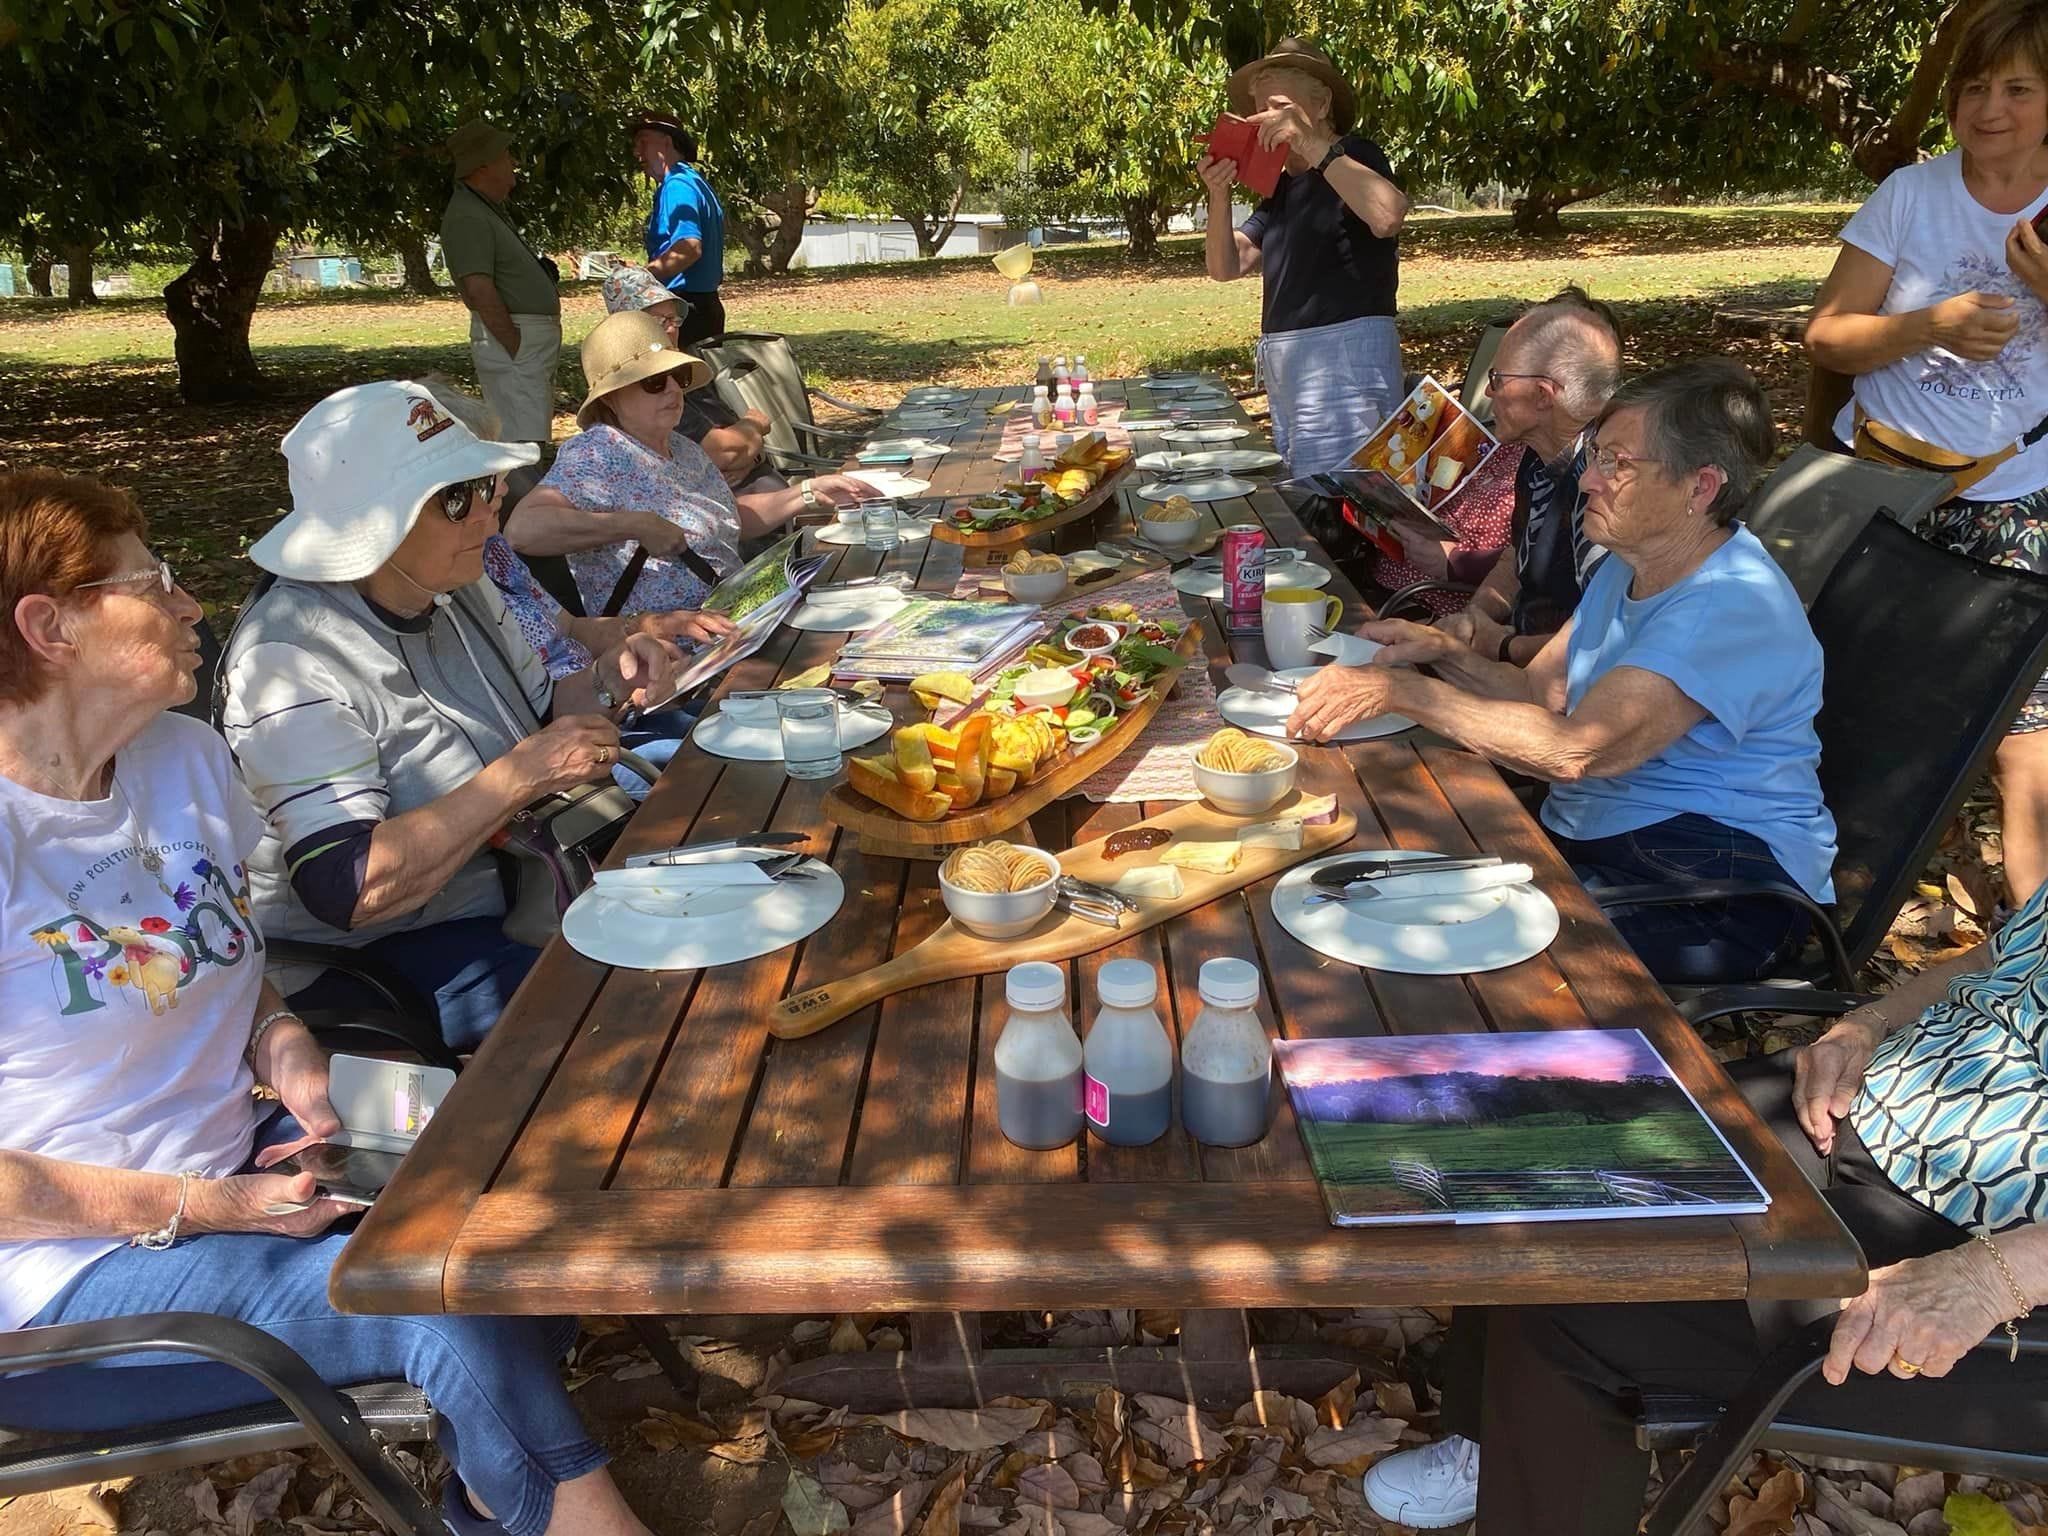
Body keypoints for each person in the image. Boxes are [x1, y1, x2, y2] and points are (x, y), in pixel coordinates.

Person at [0, 468, 658, 1536]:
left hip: (251, 1141)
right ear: (49, 626)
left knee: (521, 1159)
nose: (190, 602)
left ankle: (495, 1489)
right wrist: (207, 1209)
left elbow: (212, 952)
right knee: (436, 1302)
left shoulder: (178, 759)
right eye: (153, 583)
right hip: (63, 1281)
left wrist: (283, 1040)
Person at [1363, 896, 2048, 1533]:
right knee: (1546, 1150)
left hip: (1979, 1237)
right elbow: (1999, 957)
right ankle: (1496, 1437)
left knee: (1573, 1289)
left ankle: (1542, 1441)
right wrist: (1867, 1024)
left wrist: (1988, 1280)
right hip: (1874, 1103)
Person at [1288, 360, 1839, 985]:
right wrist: (1441, 654)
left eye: (1618, 464)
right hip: (1611, 839)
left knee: (1456, 946)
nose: (1589, 482)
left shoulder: (1726, 604)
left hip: (1723, 889)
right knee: (1381, 892)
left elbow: (1575, 751)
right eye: (1597, 456)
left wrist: (1402, 691)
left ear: (1700, 487)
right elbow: (1537, 693)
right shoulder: (1629, 565)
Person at [221, 382, 681, 1050]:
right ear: (372, 524)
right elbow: (347, 888)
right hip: (394, 948)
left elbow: (549, 708)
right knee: (640, 1002)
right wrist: (516, 780)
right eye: (456, 497)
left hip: (524, 883)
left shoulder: (456, 585)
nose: (489, 518)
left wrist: (611, 677)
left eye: (488, 486)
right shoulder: (289, 659)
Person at [1806, 0, 2048, 908]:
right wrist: (1926, 326)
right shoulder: (1912, 193)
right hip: (1885, 484)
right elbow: (1827, 338)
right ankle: (1867, 882)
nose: (1992, 110)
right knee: (1865, 689)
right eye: (1974, 88)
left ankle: (2030, 939)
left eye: (2019, 88)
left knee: (2027, 726)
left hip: (2018, 499)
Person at [506, 311, 876, 616]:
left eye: (677, 377)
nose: (672, 390)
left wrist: (808, 492)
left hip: (733, 622)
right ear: (612, 399)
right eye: (653, 382)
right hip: (669, 651)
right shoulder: (594, 453)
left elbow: (727, 519)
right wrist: (634, 525)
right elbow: (523, 530)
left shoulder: (681, 447)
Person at [1198, 37, 1409, 474]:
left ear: (1321, 103)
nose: (1262, 121)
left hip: (1342, 365)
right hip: (1291, 367)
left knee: (1340, 504)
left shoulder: (1354, 155)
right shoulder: (1282, 185)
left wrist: (1314, 147)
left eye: (1275, 106)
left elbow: (1388, 215)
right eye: (1258, 110)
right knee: (1308, 496)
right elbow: (1226, 266)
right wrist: (1219, 196)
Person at [1435, 287, 1625, 665]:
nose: (1488, 391)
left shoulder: (1605, 482)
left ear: (1543, 396)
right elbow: (1515, 562)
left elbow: (1604, 642)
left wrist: (1501, 647)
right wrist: (1472, 621)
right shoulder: (1538, 458)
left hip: (1563, 692)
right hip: (1518, 665)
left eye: (1498, 378)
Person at [600, 265, 785, 493]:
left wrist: (751, 457)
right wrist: (755, 424)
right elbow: (726, 452)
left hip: (749, 488)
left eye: (673, 319)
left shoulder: (684, 370)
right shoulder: (644, 387)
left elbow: (736, 446)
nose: (670, 330)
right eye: (658, 322)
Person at [439, 120, 561, 446]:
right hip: (512, 343)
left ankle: (523, 495)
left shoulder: (482, 209)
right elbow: (479, 290)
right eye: (506, 155)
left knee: (527, 433)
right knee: (519, 441)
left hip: (520, 343)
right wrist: (515, 344)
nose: (514, 163)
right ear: (483, 165)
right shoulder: (468, 214)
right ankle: (520, 498)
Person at [631, 111, 727, 346]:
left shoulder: (677, 186)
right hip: (703, 308)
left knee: (675, 382)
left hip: (684, 312)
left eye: (643, 142)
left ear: (667, 141)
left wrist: (639, 278)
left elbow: (689, 248)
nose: (637, 152)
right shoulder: (694, 181)